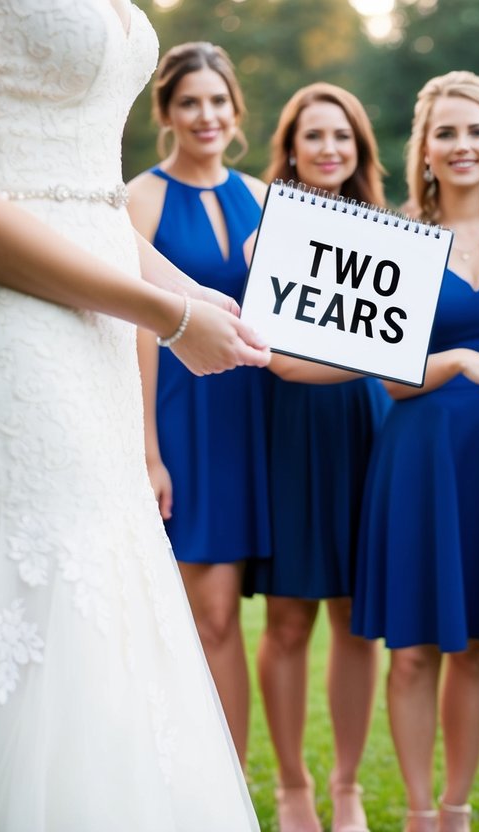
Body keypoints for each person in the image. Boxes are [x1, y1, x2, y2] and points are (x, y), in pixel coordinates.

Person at [0, 2, 268, 828]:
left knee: (102, 581)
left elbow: (86, 193)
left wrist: (185, 292)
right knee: (30, 579)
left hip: (92, 326)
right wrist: (162, 318)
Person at [350, 70, 479, 832]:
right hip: (416, 454)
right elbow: (392, 382)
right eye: (446, 133)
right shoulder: (394, 237)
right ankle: (416, 810)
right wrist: (463, 361)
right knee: (410, 650)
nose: (462, 146)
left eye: (475, 132)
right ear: (423, 152)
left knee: (472, 645)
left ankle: (458, 809)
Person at [244, 82, 391, 832]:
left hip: (367, 426)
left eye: (343, 136)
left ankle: (346, 785)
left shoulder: (391, 236)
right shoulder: (265, 229)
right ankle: (293, 784)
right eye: (314, 137)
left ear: (359, 149)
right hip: (294, 429)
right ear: (292, 149)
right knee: (290, 619)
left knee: (355, 619)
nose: (330, 148)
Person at [126, 40, 270, 771]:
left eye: (217, 100)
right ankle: (194, 785)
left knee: (232, 620)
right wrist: (149, 452)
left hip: (255, 425)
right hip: (184, 424)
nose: (205, 115)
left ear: (235, 109)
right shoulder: (140, 198)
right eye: (189, 102)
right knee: (203, 617)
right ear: (167, 113)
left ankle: (232, 789)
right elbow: (135, 333)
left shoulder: (264, 197)